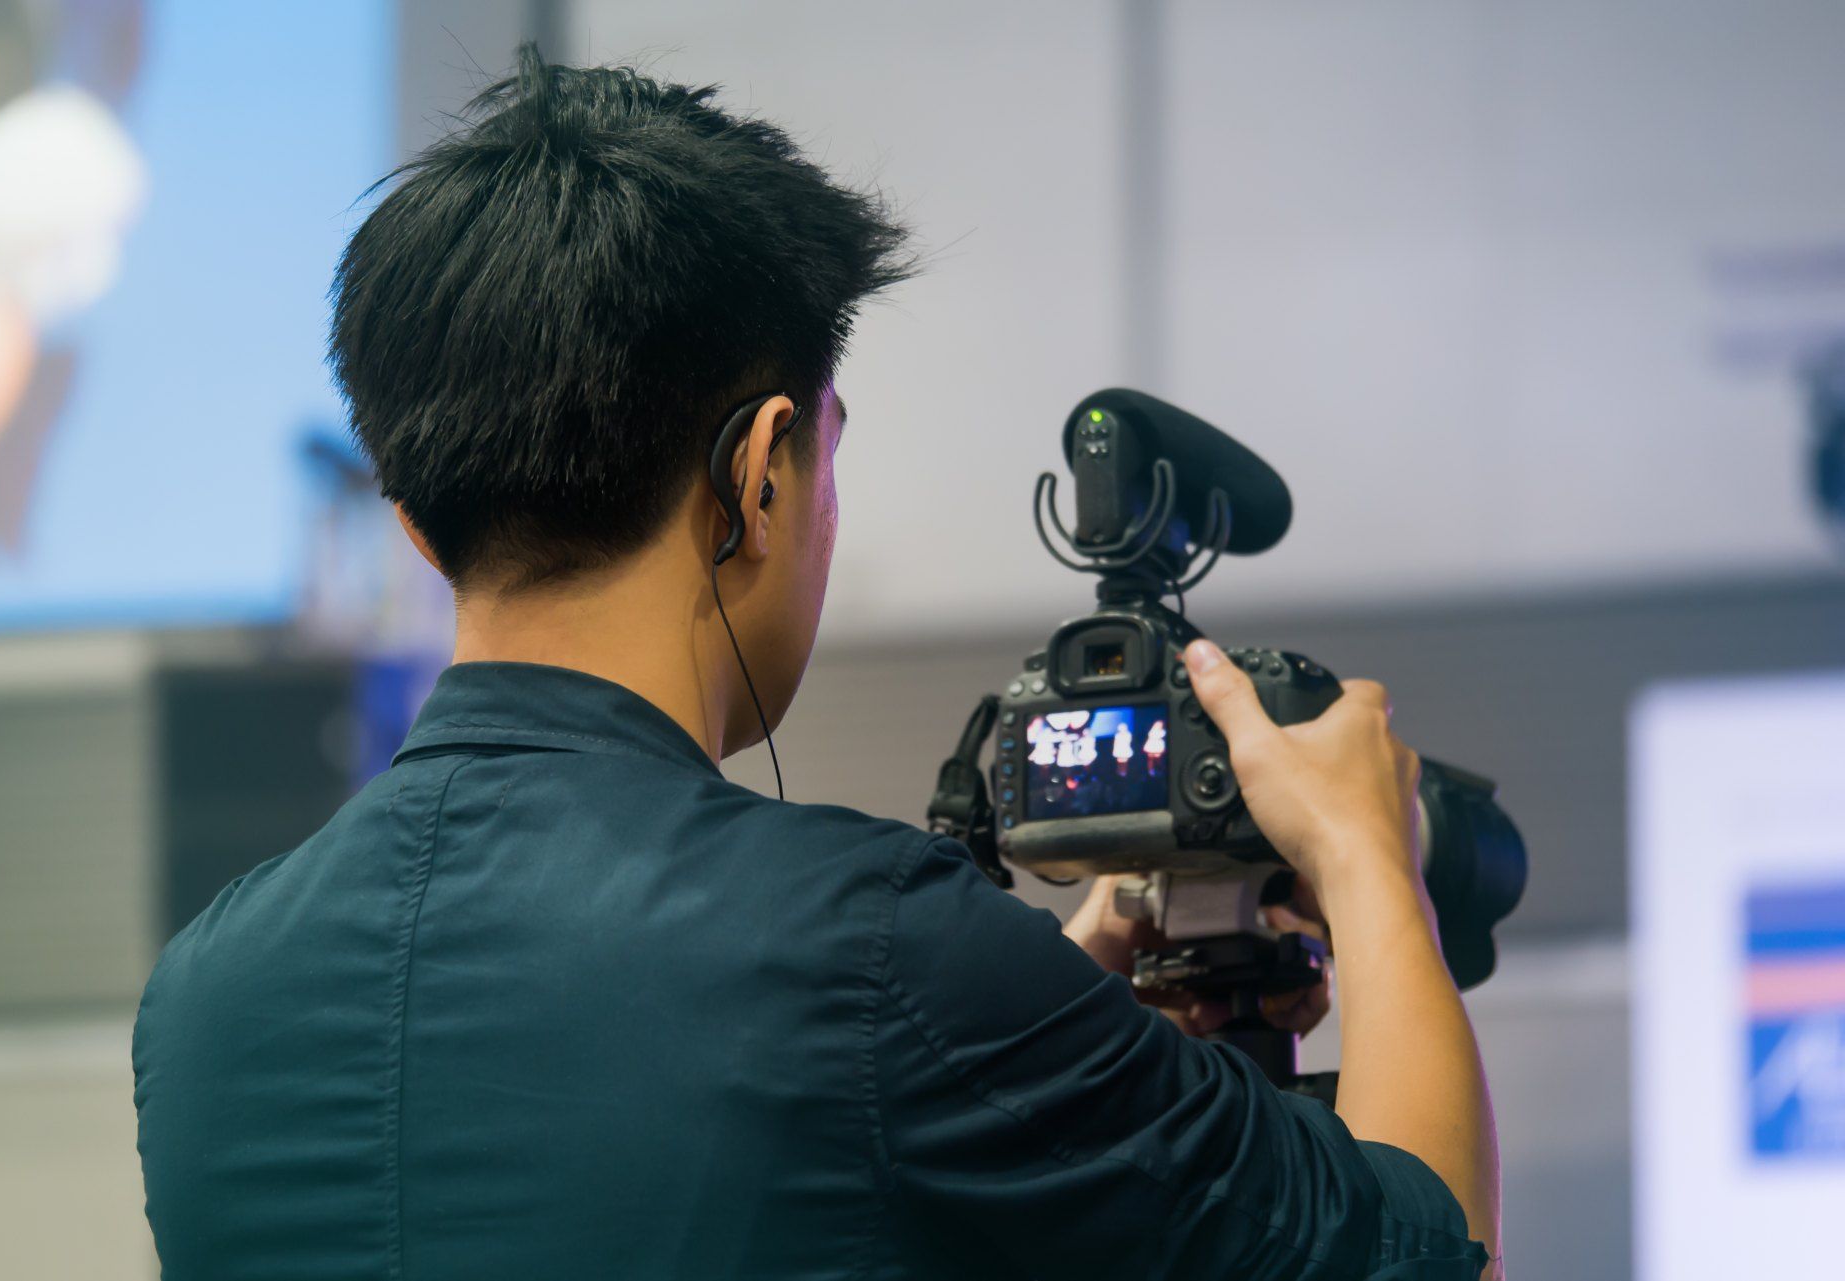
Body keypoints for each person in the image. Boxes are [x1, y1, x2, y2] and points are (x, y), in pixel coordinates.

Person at [132, 45, 1501, 1280]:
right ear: (758, 472)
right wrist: (1368, 859)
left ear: (420, 527)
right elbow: (1434, 1259)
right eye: (826, 455)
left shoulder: (201, 999)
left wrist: (1032, 1037)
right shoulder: (877, 950)